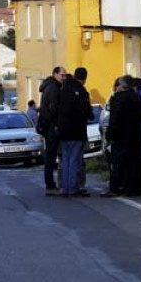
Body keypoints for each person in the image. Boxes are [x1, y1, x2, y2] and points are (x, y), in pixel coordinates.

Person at [104, 75, 141, 197]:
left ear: (122, 86)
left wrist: (110, 135)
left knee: (117, 163)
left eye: (117, 85)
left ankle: (114, 188)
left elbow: (114, 119)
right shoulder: (136, 97)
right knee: (133, 163)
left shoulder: (118, 99)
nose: (115, 88)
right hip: (134, 135)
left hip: (120, 136)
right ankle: (133, 188)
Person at [57, 68, 93, 197]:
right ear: (84, 78)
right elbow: (87, 112)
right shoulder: (82, 92)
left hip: (63, 130)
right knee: (74, 160)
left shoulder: (63, 90)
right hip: (77, 130)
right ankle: (73, 187)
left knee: (65, 160)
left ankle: (64, 187)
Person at [37, 66, 66, 196]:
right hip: (52, 127)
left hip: (48, 126)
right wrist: (55, 124)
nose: (64, 78)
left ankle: (51, 183)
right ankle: (50, 185)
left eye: (65, 75)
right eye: (62, 75)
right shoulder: (54, 88)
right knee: (51, 157)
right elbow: (53, 109)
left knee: (51, 156)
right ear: (55, 74)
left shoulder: (49, 86)